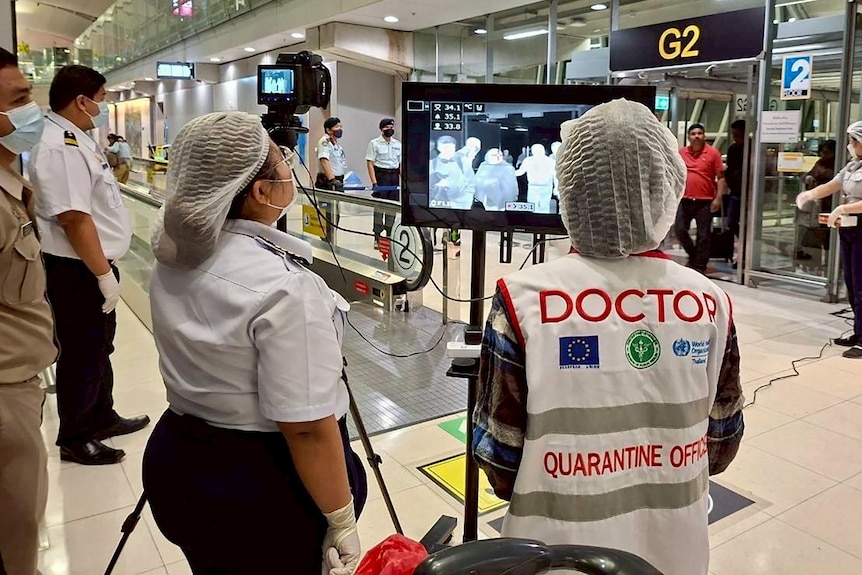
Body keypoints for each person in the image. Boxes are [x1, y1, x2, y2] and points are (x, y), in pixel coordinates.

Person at [473, 99, 744, 575]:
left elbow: (499, 454)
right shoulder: (710, 301)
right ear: (668, 187)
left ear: (570, 188)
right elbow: (721, 445)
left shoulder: (522, 299)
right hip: (674, 550)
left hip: (554, 550)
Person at [143, 112, 366, 574]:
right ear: (262, 192)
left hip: (180, 460)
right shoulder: (284, 287)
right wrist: (341, 518)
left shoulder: (172, 252)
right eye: (280, 158)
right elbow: (306, 427)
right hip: (260, 485)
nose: (289, 163)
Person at [29, 65, 150, 466]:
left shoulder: (76, 137)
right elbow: (73, 218)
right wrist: (101, 275)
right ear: (81, 101)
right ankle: (76, 436)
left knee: (99, 347)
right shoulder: (59, 145)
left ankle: (102, 416)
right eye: (101, 99)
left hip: (92, 264)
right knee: (81, 351)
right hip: (77, 269)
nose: (103, 106)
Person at [0, 46, 57, 575]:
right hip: (4, 394)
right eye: (19, 100)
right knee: (14, 545)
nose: (31, 111)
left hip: (21, 385)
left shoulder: (13, 189)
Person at [796, 123, 862, 359]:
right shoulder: (852, 166)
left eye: (854, 141)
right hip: (848, 228)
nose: (850, 145)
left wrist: (844, 208)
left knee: (861, 285)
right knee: (851, 283)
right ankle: (858, 331)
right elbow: (833, 185)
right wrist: (810, 194)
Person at [675, 123, 727, 273]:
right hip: (685, 200)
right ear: (689, 137)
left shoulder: (713, 153)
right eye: (693, 134)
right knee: (679, 229)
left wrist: (718, 198)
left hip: (705, 201)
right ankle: (693, 255)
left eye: (699, 133)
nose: (696, 136)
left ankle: (699, 265)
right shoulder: (681, 153)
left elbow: (721, 177)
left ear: (704, 136)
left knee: (703, 235)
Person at [366, 118, 401, 245]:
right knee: (379, 208)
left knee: (392, 207)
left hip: (394, 177)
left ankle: (390, 235)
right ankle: (377, 236)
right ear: (381, 129)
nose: (390, 130)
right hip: (381, 176)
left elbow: (400, 164)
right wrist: (374, 182)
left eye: (391, 127)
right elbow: (370, 163)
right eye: (387, 128)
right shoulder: (374, 143)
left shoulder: (397, 144)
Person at [430, 135, 474, 209]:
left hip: (461, 203)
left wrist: (467, 201)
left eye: (451, 148)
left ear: (454, 148)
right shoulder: (431, 163)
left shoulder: (463, 162)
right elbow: (426, 185)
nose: (448, 150)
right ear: (439, 148)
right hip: (438, 203)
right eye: (445, 148)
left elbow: (471, 183)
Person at [515, 143, 556, 213]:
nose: (538, 152)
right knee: (532, 207)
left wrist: (556, 187)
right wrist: (511, 173)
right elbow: (521, 171)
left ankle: (544, 219)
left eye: (540, 150)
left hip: (546, 188)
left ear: (543, 151)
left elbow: (555, 175)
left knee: (544, 207)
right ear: (533, 152)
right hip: (533, 187)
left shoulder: (551, 162)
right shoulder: (528, 160)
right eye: (536, 151)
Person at [725, 120, 748, 238]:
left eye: (737, 135)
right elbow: (730, 169)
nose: (735, 138)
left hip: (749, 192)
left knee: (747, 221)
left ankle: (745, 242)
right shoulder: (733, 149)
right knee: (731, 222)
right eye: (733, 135)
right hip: (735, 191)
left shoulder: (752, 149)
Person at [316, 117, 346, 190]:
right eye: (337, 127)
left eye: (340, 126)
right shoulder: (324, 142)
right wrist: (332, 179)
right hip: (328, 180)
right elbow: (324, 160)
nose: (340, 129)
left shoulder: (336, 144)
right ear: (328, 130)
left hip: (338, 179)